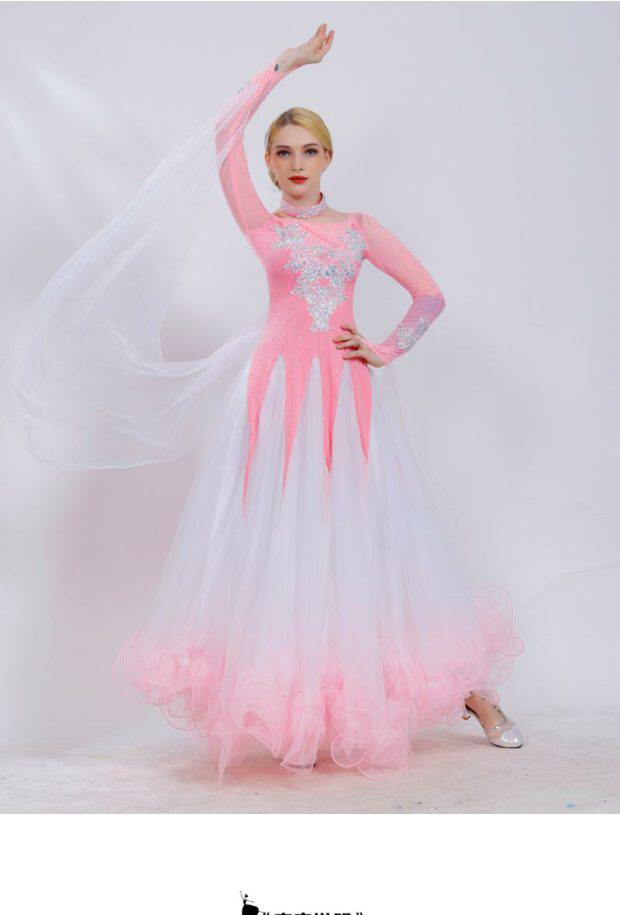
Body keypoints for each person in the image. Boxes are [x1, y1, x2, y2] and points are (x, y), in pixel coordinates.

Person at [12, 24, 524, 785]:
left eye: (308, 151)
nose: (295, 164)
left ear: (328, 158)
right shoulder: (262, 228)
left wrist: (387, 349)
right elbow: (223, 134)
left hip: (346, 398)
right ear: (269, 163)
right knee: (287, 544)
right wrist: (281, 68)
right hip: (277, 396)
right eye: (282, 153)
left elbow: (429, 295)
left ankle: (474, 694)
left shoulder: (359, 230)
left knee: (377, 536)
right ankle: (304, 708)